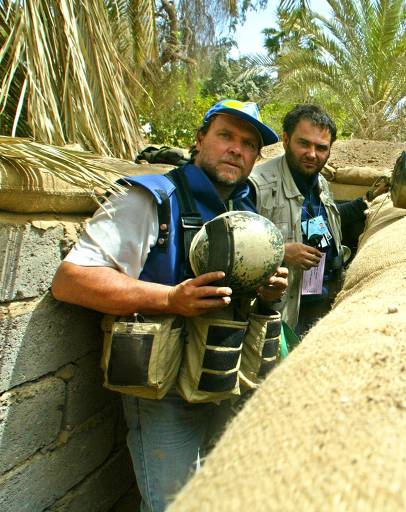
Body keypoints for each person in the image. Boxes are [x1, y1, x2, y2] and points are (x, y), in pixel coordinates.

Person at [50, 99, 288, 511]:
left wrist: (265, 290)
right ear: (200, 141)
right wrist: (169, 299)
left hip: (222, 379)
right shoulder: (151, 199)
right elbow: (71, 280)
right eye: (226, 136)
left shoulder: (245, 209)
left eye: (249, 144)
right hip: (163, 393)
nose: (236, 149)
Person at [250, 104, 388, 337]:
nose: (312, 154)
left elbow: (323, 222)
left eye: (321, 147)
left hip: (319, 297)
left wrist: (365, 201)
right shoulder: (257, 185)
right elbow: (234, 248)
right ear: (285, 140)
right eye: (304, 143)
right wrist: (280, 251)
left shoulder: (319, 182)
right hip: (281, 310)